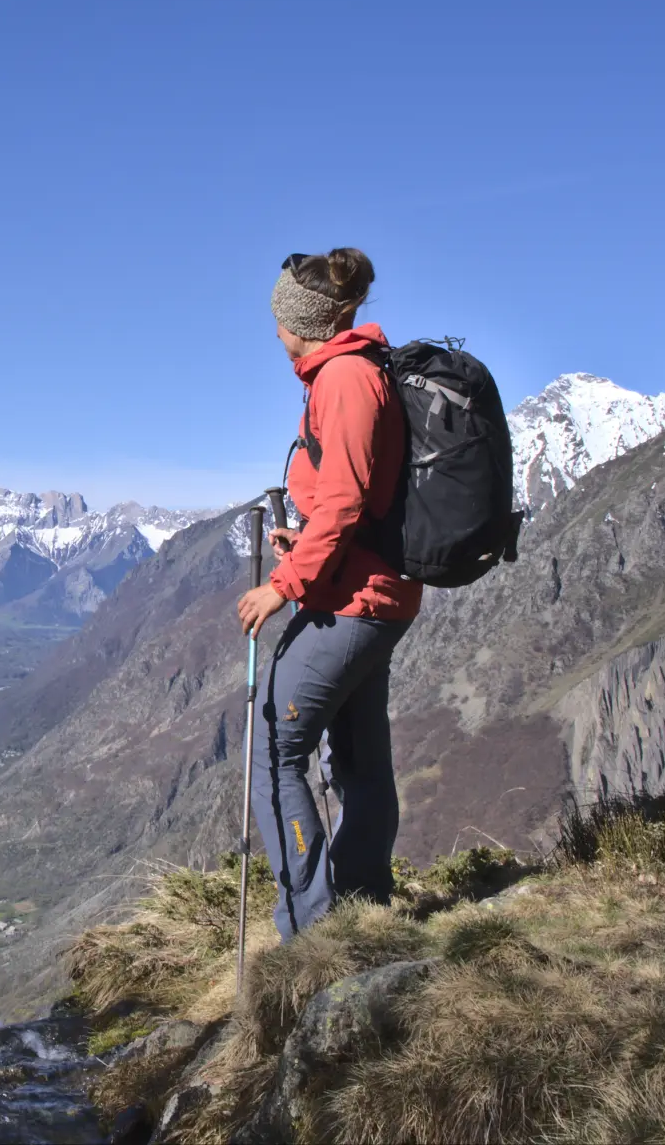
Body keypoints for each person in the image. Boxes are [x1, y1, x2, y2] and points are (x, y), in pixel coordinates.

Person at [235, 247, 421, 941]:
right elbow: (352, 504)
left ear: (300, 321)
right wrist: (307, 538)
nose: (274, 331)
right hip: (372, 591)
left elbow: (343, 499)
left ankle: (309, 931)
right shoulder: (357, 372)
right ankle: (363, 906)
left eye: (279, 319)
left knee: (273, 748)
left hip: (350, 599)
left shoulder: (343, 378)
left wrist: (282, 585)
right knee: (359, 755)